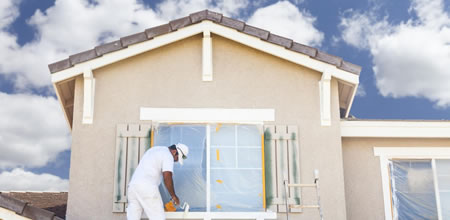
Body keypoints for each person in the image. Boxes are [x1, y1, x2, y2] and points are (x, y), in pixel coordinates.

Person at [126, 143, 189, 220]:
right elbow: (167, 176)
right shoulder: (168, 155)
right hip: (147, 188)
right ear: (174, 151)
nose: (174, 161)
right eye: (176, 158)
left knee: (133, 217)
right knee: (158, 217)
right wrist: (173, 196)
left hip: (133, 187)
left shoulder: (154, 150)